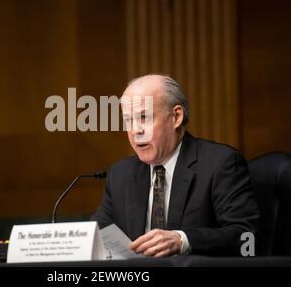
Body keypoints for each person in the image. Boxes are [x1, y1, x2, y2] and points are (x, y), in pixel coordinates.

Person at [91, 74, 260, 256]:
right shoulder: (120, 174)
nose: (135, 130)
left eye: (144, 117)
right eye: (127, 120)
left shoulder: (220, 164)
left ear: (176, 117)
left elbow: (248, 239)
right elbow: (96, 236)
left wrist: (183, 241)